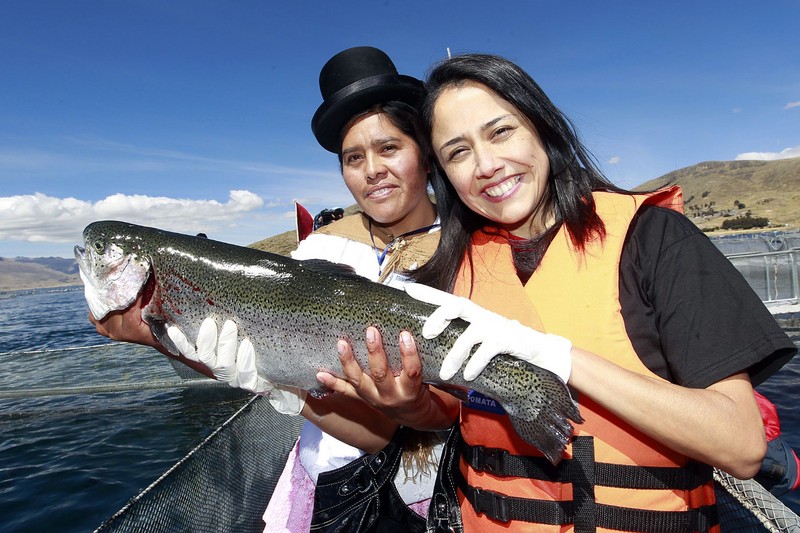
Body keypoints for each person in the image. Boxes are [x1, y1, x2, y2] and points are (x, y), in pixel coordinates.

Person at [320, 53, 797, 532]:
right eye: (458, 152)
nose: (486, 165)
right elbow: (450, 410)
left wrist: (563, 360)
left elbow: (741, 445)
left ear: (542, 127)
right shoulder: (454, 268)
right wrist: (409, 405)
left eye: (501, 131)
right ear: (442, 172)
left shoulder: (654, 239)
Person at [90, 45, 452, 532]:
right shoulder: (316, 254)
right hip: (321, 479)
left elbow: (387, 431)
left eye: (389, 148)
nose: (371, 171)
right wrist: (153, 335)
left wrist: (276, 384)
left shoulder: (469, 255)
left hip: (428, 496)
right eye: (353, 158)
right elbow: (237, 354)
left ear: (425, 155)